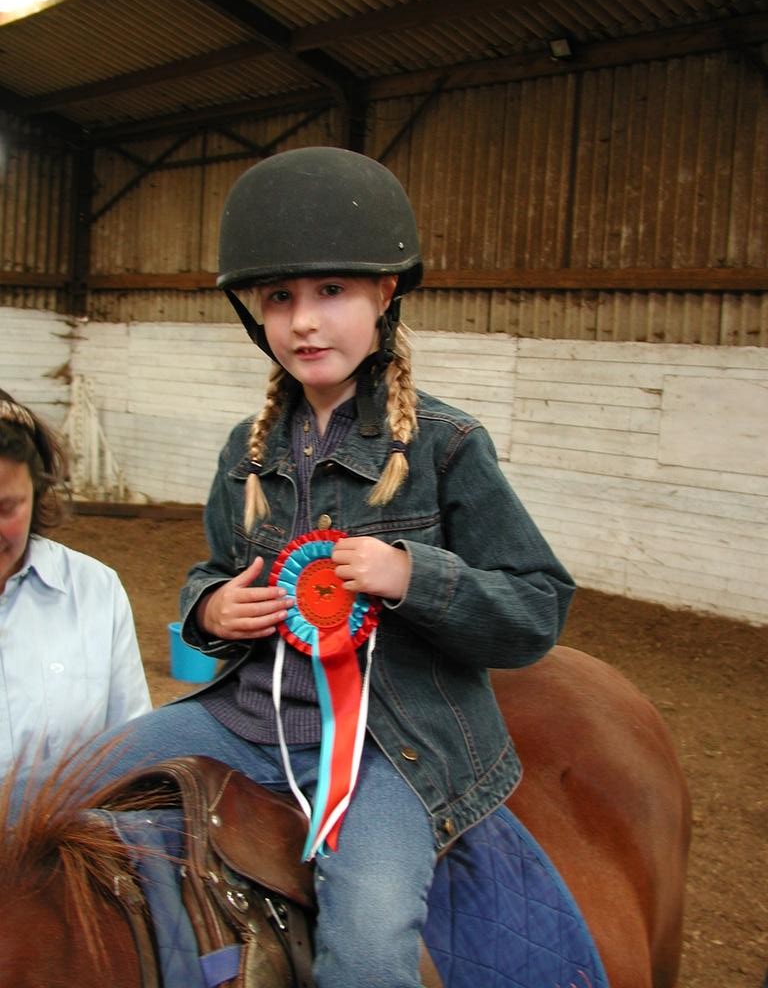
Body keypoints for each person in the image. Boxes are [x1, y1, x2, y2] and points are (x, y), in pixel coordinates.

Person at [39, 147, 575, 987]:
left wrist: (412, 575)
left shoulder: (446, 444)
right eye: (280, 298)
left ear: (384, 293)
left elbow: (538, 607)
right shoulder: (243, 453)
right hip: (244, 720)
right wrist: (213, 612)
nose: (304, 323)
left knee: (365, 947)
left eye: (332, 291)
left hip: (387, 750)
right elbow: (208, 575)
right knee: (48, 796)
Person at [0, 390, 151, 775]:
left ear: (37, 493)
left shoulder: (95, 591)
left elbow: (130, 748)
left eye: (5, 508)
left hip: (75, 832)